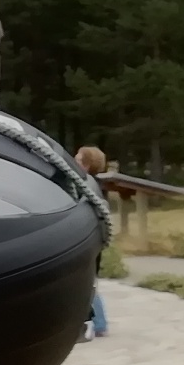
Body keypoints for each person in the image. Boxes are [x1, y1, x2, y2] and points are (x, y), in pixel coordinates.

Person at [76, 145, 110, 339]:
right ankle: (99, 322)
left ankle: (98, 322)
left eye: (78, 160)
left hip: (91, 236)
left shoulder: (89, 186)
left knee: (89, 282)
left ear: (87, 165)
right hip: (94, 236)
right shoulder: (93, 185)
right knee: (91, 281)